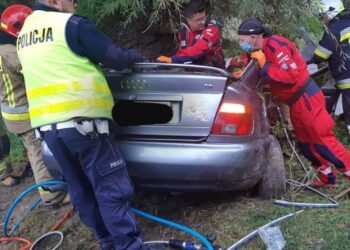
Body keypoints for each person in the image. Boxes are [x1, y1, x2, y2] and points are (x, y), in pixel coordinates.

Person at [17, 0, 143, 249]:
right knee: (111, 189)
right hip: (85, 126)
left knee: (82, 191)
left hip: (51, 130)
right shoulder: (70, 25)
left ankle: (107, 242)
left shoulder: (25, 34)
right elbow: (114, 57)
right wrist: (136, 58)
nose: (75, 3)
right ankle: (128, 246)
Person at [237, 18, 350, 188]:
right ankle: (327, 179)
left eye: (242, 40)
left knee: (324, 140)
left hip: (306, 99)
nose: (241, 43)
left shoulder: (275, 45)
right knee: (305, 144)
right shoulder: (259, 51)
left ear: (254, 37)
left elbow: (290, 77)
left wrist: (265, 67)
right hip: (296, 103)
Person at [0, 4, 68, 205]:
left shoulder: (2, 48)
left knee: (35, 149)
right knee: (37, 151)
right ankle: (52, 195)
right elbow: (35, 69)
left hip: (12, 112)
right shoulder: (10, 52)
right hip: (23, 113)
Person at [310, 0, 350, 135]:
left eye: (323, 16)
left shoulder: (333, 30)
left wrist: (310, 60)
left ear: (331, 13)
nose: (323, 20)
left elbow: (320, 55)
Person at [156, 0, 225, 68]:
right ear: (188, 20)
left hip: (214, 72)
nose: (203, 22)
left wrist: (172, 59)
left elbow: (198, 50)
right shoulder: (183, 33)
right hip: (192, 72)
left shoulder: (212, 29)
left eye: (204, 17)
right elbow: (183, 53)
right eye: (199, 20)